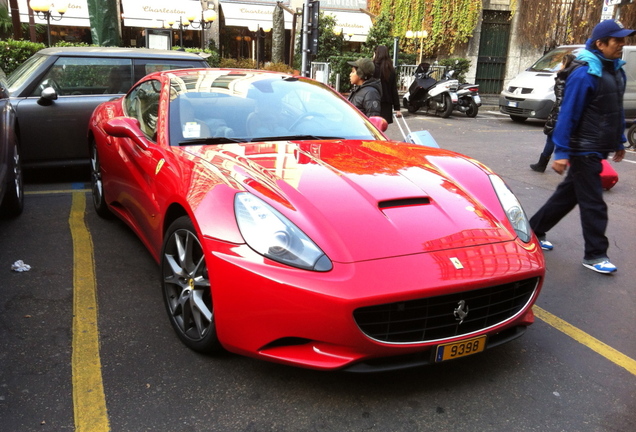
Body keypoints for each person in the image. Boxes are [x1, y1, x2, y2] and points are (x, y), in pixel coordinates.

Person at [529, 19, 632, 274]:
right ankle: (595, 255)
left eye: (623, 39)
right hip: (584, 148)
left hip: (598, 145)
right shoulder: (586, 72)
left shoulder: (615, 71)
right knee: (594, 202)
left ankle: (533, 231)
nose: (622, 44)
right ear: (600, 43)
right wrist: (562, 152)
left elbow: (615, 110)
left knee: (567, 196)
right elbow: (568, 113)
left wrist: (619, 140)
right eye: (617, 40)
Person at [529, 53, 576, 172]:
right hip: (564, 114)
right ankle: (542, 164)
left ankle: (542, 164)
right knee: (555, 139)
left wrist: (560, 118)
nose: (560, 65)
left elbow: (561, 99)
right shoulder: (573, 77)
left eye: (562, 63)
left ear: (566, 65)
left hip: (559, 114)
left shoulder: (563, 78)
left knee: (552, 138)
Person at [373, 45, 402, 123]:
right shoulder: (390, 69)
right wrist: (397, 108)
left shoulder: (373, 68)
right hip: (386, 103)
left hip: (374, 100)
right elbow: (393, 89)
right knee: (382, 126)